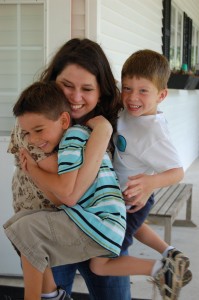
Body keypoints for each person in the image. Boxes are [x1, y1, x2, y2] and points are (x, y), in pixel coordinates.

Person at [4, 81, 185, 300]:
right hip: (107, 224)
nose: (32, 139)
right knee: (96, 265)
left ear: (63, 120)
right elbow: (61, 197)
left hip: (98, 220)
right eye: (27, 133)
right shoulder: (76, 136)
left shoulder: (73, 138)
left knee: (26, 229)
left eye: (38, 130)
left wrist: (32, 168)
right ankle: (160, 269)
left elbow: (66, 191)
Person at [7, 38, 132, 300]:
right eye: (66, 85)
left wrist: (150, 185)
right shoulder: (34, 127)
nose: (75, 97)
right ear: (53, 81)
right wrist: (101, 132)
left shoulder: (109, 121)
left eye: (87, 88)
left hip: (98, 227)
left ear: (100, 92)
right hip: (48, 231)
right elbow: (69, 193)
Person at [112, 49, 192, 286]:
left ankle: (163, 271)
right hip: (127, 198)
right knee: (136, 230)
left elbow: (177, 171)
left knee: (105, 258)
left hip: (131, 201)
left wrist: (150, 183)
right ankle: (170, 253)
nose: (132, 97)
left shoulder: (153, 132)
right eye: (127, 88)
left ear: (162, 95)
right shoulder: (130, 111)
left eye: (143, 91)